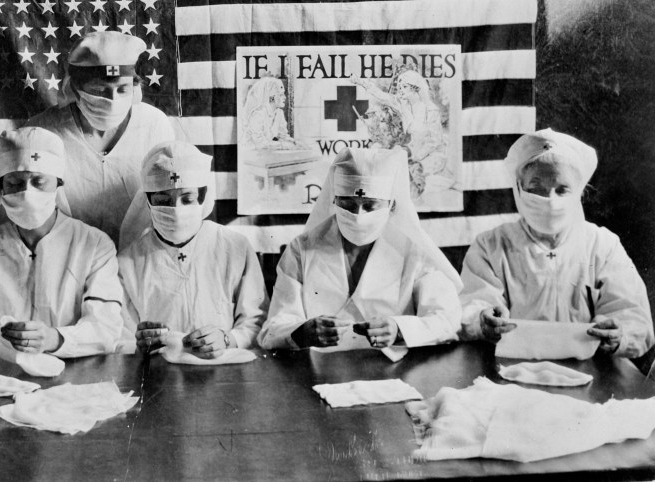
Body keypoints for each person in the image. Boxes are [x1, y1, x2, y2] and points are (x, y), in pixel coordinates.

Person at [459, 129, 654, 358]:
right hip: (510, 369)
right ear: (519, 189)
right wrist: (483, 320)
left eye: (562, 189)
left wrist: (619, 335)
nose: (550, 200)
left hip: (590, 371)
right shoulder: (490, 246)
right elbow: (471, 305)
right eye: (536, 189)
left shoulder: (602, 246)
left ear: (580, 193)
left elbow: (634, 318)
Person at [0, 31, 175, 246]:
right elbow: (10, 203)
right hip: (66, 255)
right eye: (99, 90)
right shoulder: (43, 131)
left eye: (122, 89)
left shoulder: (154, 125)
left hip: (137, 257)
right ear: (74, 87)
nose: (112, 100)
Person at [258, 147, 462, 352]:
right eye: (347, 204)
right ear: (334, 199)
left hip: (393, 374)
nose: (358, 214)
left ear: (391, 205)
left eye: (370, 205)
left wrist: (399, 329)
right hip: (317, 371)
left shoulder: (414, 250)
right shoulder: (302, 249)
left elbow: (446, 319)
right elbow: (273, 329)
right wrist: (301, 332)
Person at [0, 127, 124, 359]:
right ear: (0, 188)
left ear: (58, 185)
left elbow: (106, 329)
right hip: (3, 377)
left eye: (39, 182)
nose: (27, 193)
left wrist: (55, 339)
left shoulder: (94, 245)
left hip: (75, 379)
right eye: (15, 183)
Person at [118, 142, 268, 359]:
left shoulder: (235, 247)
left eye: (187, 199)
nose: (176, 211)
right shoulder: (128, 263)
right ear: (148, 201)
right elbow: (119, 337)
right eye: (164, 201)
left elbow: (257, 323)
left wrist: (228, 339)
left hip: (226, 373)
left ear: (203, 197)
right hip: (161, 377)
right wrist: (137, 344)